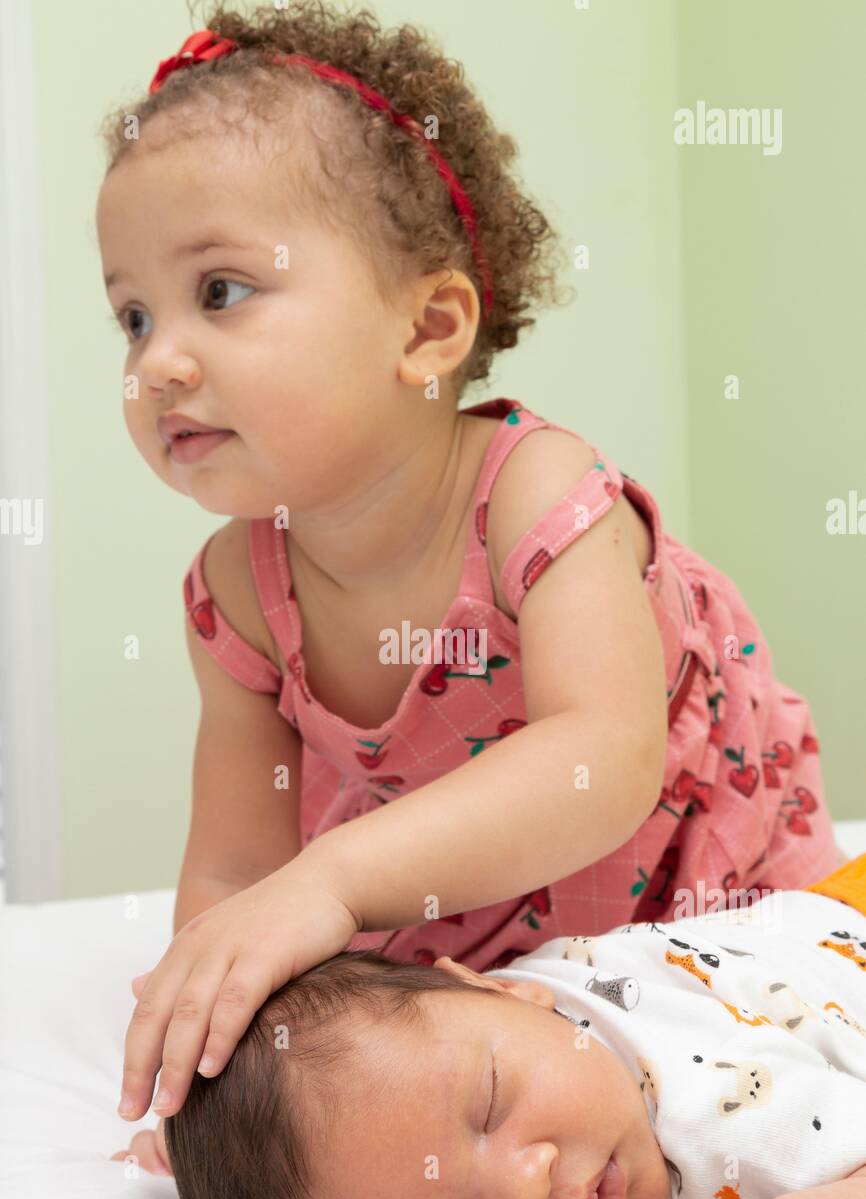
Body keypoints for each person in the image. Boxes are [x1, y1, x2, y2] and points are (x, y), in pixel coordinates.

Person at [97, 3, 842, 1129]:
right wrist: (216, 1048)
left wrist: (333, 880)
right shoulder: (239, 595)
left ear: (427, 329)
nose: (158, 361)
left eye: (220, 293)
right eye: (132, 317)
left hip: (690, 885)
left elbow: (600, 760)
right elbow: (237, 872)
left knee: (775, 1084)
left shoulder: (537, 496)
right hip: (462, 929)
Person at [113, 857, 866, 1199]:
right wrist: (206, 1135)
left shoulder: (723, 1111)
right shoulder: (488, 1022)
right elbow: (346, 1130)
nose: (531, 1188)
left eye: (491, 1103)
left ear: (503, 988)